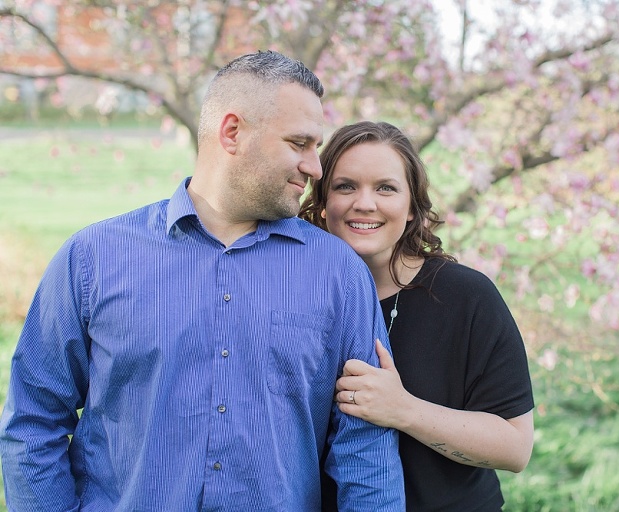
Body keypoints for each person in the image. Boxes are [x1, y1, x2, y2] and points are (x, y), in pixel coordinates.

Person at [0, 52, 404, 511]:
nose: (315, 167)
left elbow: (365, 449)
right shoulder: (92, 258)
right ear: (232, 132)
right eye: (298, 143)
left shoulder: (339, 273)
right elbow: (33, 423)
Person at [300, 121, 535, 511]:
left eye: (385, 188)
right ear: (323, 204)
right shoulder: (298, 298)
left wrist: (404, 410)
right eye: (346, 186)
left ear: (411, 208)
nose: (365, 202)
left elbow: (515, 447)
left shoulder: (467, 298)